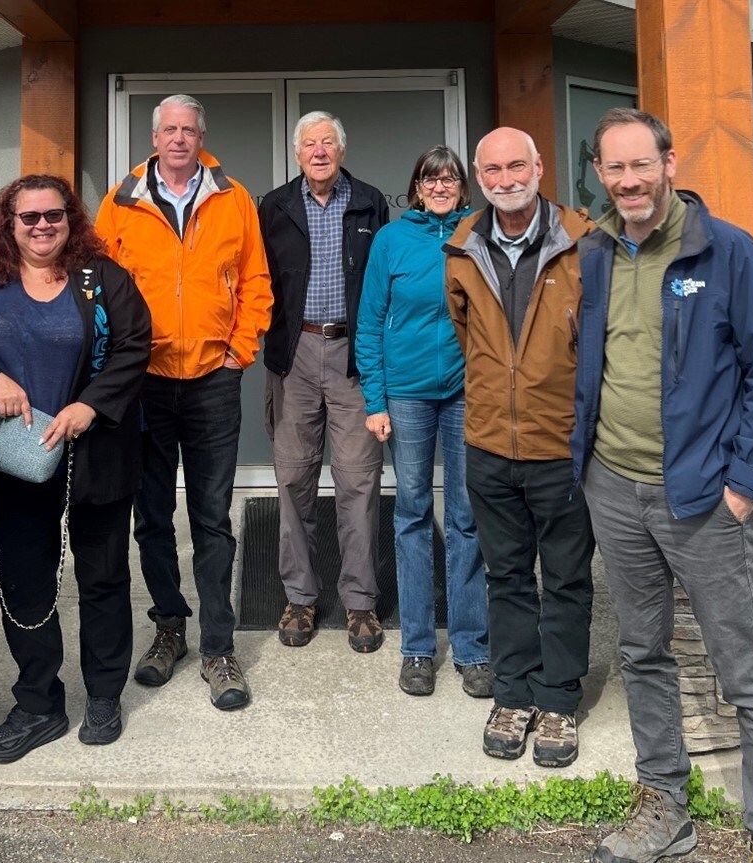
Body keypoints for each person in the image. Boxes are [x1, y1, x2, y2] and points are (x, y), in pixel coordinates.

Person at [573, 108, 753, 863]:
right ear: (600, 175)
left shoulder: (726, 251)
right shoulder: (597, 252)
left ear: (668, 163)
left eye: (642, 164)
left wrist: (742, 486)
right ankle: (664, 808)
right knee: (642, 651)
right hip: (615, 487)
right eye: (615, 168)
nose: (630, 180)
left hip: (704, 498)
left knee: (744, 665)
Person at [0, 175, 151, 762]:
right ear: (8, 223)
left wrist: (88, 406)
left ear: (71, 219)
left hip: (96, 452)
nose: (42, 226)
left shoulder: (102, 279)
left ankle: (102, 695)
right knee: (25, 579)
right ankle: (39, 703)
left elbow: (134, 346)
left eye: (54, 215)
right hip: (19, 456)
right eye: (29, 217)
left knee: (102, 577)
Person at [95, 95, 271, 710]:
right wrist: (115, 362)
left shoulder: (233, 198)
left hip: (211, 379)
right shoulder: (120, 202)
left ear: (202, 137)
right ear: (154, 136)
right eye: (169, 129)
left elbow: (255, 280)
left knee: (212, 516)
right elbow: (97, 289)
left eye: (189, 130)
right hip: (141, 380)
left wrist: (239, 350)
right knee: (152, 516)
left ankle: (219, 645)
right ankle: (169, 625)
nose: (178, 139)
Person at [444, 127, 595, 768]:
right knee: (505, 576)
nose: (506, 179)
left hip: (558, 444)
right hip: (487, 446)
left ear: (539, 166)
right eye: (493, 170)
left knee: (564, 577)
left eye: (517, 166)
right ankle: (513, 692)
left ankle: (558, 699)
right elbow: (466, 332)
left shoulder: (583, 246)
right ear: (480, 178)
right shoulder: (460, 250)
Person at [355, 145, 490, 697]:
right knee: (412, 512)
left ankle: (473, 648)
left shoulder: (478, 237)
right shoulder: (391, 240)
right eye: (430, 179)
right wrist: (375, 401)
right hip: (406, 394)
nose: (440, 187)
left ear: (462, 187)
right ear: (416, 187)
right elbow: (369, 322)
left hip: (464, 394)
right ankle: (416, 648)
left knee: (465, 519)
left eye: (450, 179)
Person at [258, 111, 389, 652]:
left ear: (341, 150)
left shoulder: (370, 202)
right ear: (297, 154)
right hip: (295, 354)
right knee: (293, 479)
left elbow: (384, 283)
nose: (318, 152)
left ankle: (361, 603)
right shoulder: (275, 206)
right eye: (309, 144)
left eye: (327, 143)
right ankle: (300, 596)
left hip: (354, 354)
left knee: (359, 481)